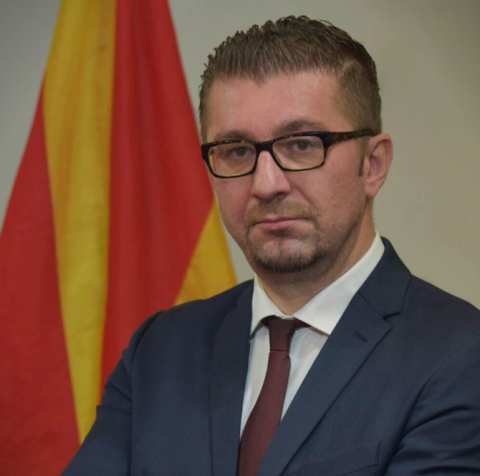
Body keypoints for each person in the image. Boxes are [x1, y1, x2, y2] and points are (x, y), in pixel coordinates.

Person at [63, 16, 480, 476]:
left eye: (302, 145)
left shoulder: (460, 354)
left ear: (373, 165)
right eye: (237, 151)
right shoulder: (159, 351)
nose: (266, 184)